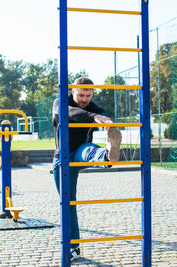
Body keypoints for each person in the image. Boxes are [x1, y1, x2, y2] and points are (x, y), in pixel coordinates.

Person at [52, 77, 122, 261]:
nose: (84, 99)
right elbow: (69, 113)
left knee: (91, 151)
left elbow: (103, 113)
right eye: (81, 95)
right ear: (73, 91)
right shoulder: (60, 101)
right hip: (62, 158)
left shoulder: (92, 107)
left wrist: (108, 123)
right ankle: (73, 247)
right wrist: (94, 117)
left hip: (81, 150)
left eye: (88, 95)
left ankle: (109, 155)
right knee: (68, 202)